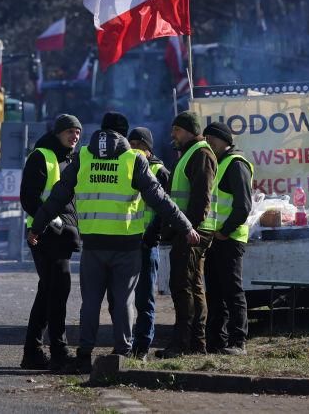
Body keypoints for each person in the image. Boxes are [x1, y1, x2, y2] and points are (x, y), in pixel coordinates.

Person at [29, 112, 199, 374]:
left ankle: (84, 355)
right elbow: (159, 199)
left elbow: (57, 196)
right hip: (127, 245)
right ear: (123, 134)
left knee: (91, 302)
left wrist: (37, 227)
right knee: (123, 302)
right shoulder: (133, 159)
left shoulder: (83, 157)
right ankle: (122, 353)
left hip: (94, 245)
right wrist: (185, 226)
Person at [19, 113, 83, 371]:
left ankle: (33, 352)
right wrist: (54, 223)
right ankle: (58, 351)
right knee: (58, 290)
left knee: (49, 291)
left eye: (77, 132)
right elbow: (29, 198)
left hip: (62, 236)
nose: (74, 136)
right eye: (69, 131)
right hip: (46, 235)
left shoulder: (71, 159)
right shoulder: (41, 157)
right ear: (58, 133)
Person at [156, 111, 217, 358]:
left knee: (183, 286)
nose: (173, 135)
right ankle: (195, 343)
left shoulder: (200, 153)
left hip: (192, 231)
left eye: (177, 130)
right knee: (192, 286)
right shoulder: (192, 153)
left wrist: (187, 227)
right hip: (190, 230)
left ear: (191, 131)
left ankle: (183, 344)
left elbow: (201, 197)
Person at [202, 121, 254, 355]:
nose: (208, 141)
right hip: (215, 238)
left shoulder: (235, 164)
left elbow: (243, 207)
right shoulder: (219, 163)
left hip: (229, 239)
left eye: (212, 137)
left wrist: (225, 231)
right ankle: (216, 341)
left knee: (232, 290)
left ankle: (238, 342)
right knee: (215, 292)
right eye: (206, 138)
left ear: (225, 140)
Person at [127, 127, 171, 360]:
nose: (133, 147)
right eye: (130, 142)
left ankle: (142, 346)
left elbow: (164, 211)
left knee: (145, 299)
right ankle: (126, 344)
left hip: (146, 244)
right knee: (122, 298)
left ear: (148, 147)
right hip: (127, 241)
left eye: (137, 144)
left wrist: (151, 236)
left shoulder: (159, 171)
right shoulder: (126, 166)